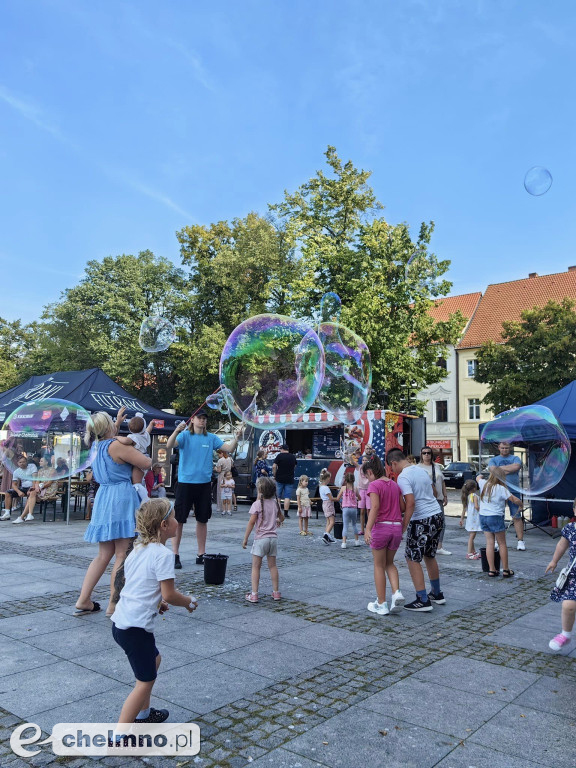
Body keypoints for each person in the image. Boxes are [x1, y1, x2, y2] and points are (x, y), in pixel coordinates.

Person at [111, 498, 198, 730]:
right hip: (135, 629)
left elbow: (139, 585)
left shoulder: (138, 550)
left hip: (121, 624)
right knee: (144, 681)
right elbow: (169, 594)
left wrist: (156, 602)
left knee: (154, 660)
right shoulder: (163, 555)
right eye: (173, 516)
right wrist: (188, 602)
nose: (178, 520)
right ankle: (119, 736)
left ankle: (145, 714)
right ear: (164, 525)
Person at [74, 411, 151, 617]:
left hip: (104, 497)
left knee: (102, 555)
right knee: (122, 553)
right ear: (108, 427)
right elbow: (145, 463)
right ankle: (113, 604)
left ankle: (83, 600)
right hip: (122, 497)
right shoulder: (115, 445)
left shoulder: (96, 447)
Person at [166, 409, 241, 569]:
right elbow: (169, 444)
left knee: (202, 519)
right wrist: (176, 430)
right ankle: (175, 554)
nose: (202, 421)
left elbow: (228, 448)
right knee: (179, 520)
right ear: (192, 420)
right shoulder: (185, 435)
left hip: (204, 484)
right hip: (185, 483)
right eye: (199, 418)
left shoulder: (211, 438)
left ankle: (201, 554)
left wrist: (237, 437)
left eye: (204, 419)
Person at [386, 448, 445, 612]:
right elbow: (433, 491)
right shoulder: (420, 470)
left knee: (412, 557)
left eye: (392, 467)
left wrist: (404, 526)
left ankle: (422, 599)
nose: (393, 471)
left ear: (394, 463)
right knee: (429, 555)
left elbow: (410, 503)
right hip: (436, 515)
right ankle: (437, 593)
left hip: (421, 519)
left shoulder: (403, 476)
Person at [363, 455, 406, 615]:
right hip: (396, 528)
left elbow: (374, 508)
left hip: (381, 528)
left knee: (378, 565)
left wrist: (367, 529)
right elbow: (402, 506)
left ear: (369, 472)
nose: (367, 480)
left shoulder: (374, 485)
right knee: (390, 563)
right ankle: (396, 593)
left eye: (366, 476)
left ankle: (381, 603)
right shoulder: (394, 485)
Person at [242, 476, 284, 602]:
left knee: (256, 566)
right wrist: (277, 520)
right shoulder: (275, 504)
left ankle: (254, 594)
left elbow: (251, 523)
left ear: (260, 490)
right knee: (272, 566)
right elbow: (282, 518)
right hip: (273, 539)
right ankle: (276, 592)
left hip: (261, 539)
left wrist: (245, 539)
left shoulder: (257, 505)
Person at [477, 467, 522, 578]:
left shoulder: (483, 483)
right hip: (495, 517)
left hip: (483, 516)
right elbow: (514, 500)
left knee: (489, 543)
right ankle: (506, 570)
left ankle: (492, 570)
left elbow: (478, 477)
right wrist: (521, 504)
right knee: (502, 543)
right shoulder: (501, 488)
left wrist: (482, 474)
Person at [546, 503, 576, 652]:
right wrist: (554, 561)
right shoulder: (570, 528)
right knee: (568, 606)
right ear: (574, 510)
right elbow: (561, 545)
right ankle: (566, 634)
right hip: (574, 575)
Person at [488, 441, 526, 551]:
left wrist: (499, 469)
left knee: (517, 517)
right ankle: (496, 541)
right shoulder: (493, 459)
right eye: (503, 448)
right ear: (499, 448)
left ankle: (520, 541)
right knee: (498, 516)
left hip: (513, 491)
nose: (505, 450)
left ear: (510, 448)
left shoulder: (515, 458)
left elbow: (516, 467)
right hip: (498, 491)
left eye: (507, 448)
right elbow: (492, 470)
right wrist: (506, 469)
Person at [115, 415, 155, 502]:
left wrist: (117, 437)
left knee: (137, 483)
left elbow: (126, 441)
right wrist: (151, 424)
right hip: (144, 457)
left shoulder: (133, 437)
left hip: (138, 461)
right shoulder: (145, 435)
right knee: (139, 480)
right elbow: (149, 429)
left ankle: (144, 498)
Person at [419, 447, 450, 555]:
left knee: (441, 522)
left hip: (438, 498)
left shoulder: (436, 466)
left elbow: (442, 481)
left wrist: (445, 495)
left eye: (428, 453)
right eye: (424, 453)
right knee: (426, 522)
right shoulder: (418, 468)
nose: (426, 455)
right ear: (421, 454)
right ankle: (425, 544)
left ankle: (439, 546)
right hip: (426, 499)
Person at [336, 472, 361, 549]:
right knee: (354, 524)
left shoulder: (343, 488)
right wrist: (355, 499)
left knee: (345, 526)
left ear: (345, 480)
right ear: (353, 480)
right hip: (353, 509)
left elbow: (337, 498)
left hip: (345, 509)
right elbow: (360, 498)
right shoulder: (355, 488)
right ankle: (357, 541)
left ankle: (344, 543)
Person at [10, 456, 38, 524]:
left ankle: (24, 516)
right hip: (25, 488)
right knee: (8, 492)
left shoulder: (32, 466)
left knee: (32, 493)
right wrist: (18, 491)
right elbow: (14, 484)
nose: (22, 463)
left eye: (24, 462)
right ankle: (8, 512)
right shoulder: (16, 471)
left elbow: (35, 479)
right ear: (17, 463)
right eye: (20, 462)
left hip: (35, 487)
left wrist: (32, 487)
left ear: (27, 462)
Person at [272, 444, 297, 519]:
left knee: (278, 496)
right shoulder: (292, 456)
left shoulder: (279, 456)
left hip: (279, 478)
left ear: (282, 449)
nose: (280, 450)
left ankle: (277, 512)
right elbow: (295, 466)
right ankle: (286, 513)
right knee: (287, 497)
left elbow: (274, 466)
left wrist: (275, 474)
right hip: (289, 478)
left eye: (280, 449)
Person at [459, 479, 481, 559]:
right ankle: (469, 553)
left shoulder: (466, 497)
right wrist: (481, 511)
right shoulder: (475, 496)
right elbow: (476, 506)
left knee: (471, 535)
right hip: (474, 519)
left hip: (469, 519)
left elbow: (464, 509)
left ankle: (473, 551)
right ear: (474, 488)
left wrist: (462, 519)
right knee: (472, 536)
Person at [319, 468, 336, 545]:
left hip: (324, 504)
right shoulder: (326, 488)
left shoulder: (321, 487)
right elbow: (331, 498)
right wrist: (338, 498)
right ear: (327, 478)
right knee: (332, 522)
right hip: (328, 504)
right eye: (330, 478)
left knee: (328, 521)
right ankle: (326, 535)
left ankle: (327, 535)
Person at [214, 449, 233, 514]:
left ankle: (221, 507)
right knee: (228, 492)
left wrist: (215, 468)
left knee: (221, 492)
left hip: (222, 475)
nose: (218, 455)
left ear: (222, 453)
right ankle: (228, 508)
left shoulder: (220, 460)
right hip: (229, 475)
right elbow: (232, 466)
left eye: (218, 454)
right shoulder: (230, 459)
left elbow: (219, 470)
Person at [356, 462, 370, 534]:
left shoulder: (370, 468)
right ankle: (362, 530)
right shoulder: (360, 468)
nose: (364, 461)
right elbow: (353, 462)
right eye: (363, 460)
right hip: (361, 490)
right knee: (361, 511)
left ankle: (369, 528)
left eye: (366, 460)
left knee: (369, 511)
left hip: (369, 490)